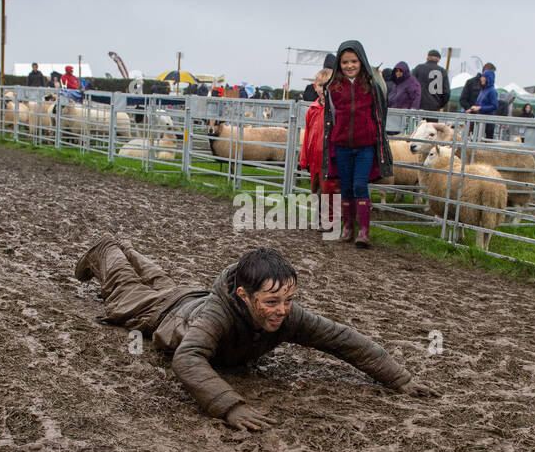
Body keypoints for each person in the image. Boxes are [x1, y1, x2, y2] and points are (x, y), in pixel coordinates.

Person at [74, 240, 436, 429]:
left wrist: (400, 378)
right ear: (243, 296)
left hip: (188, 298)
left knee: (161, 282)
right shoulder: (219, 314)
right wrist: (230, 406)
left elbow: (342, 339)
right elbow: (187, 358)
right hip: (165, 313)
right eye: (273, 301)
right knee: (122, 295)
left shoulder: (286, 316)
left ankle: (127, 249)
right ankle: (107, 249)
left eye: (289, 300)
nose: (282, 309)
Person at [321, 39, 396, 248]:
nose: (349, 66)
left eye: (353, 61)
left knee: (359, 185)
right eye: (345, 62)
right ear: (339, 64)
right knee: (345, 187)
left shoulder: (372, 86)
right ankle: (348, 228)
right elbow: (332, 118)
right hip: (343, 145)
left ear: (361, 61)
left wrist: (378, 141)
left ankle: (364, 231)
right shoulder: (333, 88)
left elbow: (379, 114)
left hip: (365, 145)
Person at [298, 69, 340, 230]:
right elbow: (308, 134)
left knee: (329, 190)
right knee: (316, 190)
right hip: (314, 157)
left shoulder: (335, 110)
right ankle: (317, 219)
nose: (324, 90)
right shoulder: (313, 109)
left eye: (328, 86)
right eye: (321, 86)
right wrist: (304, 157)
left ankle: (330, 221)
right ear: (315, 87)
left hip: (329, 156)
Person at [464, 69, 499, 138]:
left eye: (483, 77)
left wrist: (480, 108)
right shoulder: (483, 90)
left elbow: (495, 106)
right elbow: (478, 104)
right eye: (482, 77)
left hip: (488, 122)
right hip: (479, 121)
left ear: (488, 78)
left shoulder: (492, 91)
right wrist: (471, 109)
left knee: (485, 144)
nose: (481, 79)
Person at [412, 49, 450, 114]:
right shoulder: (442, 71)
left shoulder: (419, 68)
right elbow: (446, 92)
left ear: (427, 57)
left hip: (419, 105)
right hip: (434, 106)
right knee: (432, 124)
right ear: (438, 59)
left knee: (418, 124)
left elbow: (411, 86)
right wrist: (440, 104)